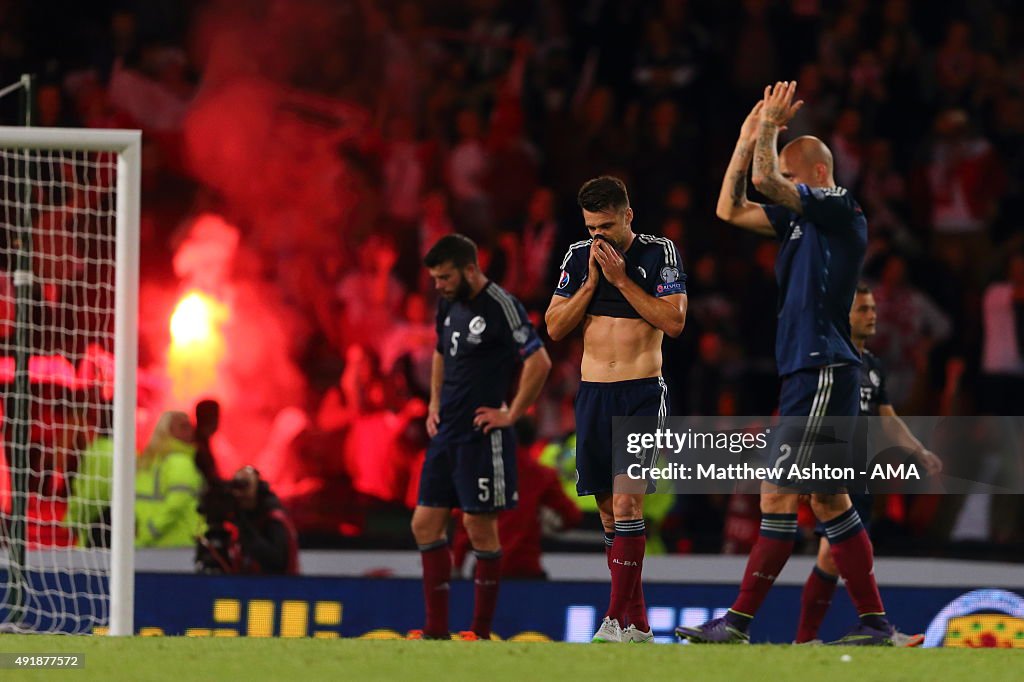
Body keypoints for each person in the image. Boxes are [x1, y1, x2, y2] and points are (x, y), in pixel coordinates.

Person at [678, 82, 892, 645]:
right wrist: (749, 137)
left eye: (796, 178)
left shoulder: (840, 209)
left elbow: (766, 181)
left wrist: (768, 131)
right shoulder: (800, 222)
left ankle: (739, 623)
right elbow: (729, 207)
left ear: (818, 175)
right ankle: (876, 625)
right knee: (827, 499)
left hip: (822, 365)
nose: (787, 189)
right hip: (809, 368)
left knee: (777, 492)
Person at [545, 176, 687, 644]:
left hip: (640, 393)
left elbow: (674, 321)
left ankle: (612, 620)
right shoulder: (576, 256)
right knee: (609, 516)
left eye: (606, 226)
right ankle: (639, 625)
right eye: (591, 228)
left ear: (628, 215)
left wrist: (621, 279)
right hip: (593, 394)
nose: (598, 237)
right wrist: (589, 286)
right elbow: (555, 327)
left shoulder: (659, 253)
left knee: (628, 503)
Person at [410, 234, 551, 640]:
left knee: (478, 527)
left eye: (445, 276)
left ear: (470, 269)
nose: (439, 284)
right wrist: (434, 403)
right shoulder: (448, 303)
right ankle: (436, 631)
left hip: (481, 436)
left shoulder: (501, 305)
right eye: (435, 278)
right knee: (424, 525)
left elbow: (539, 361)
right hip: (446, 433)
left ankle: (480, 631)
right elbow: (440, 351)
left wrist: (512, 412)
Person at [795, 284, 942, 646]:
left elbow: (887, 418)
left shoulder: (872, 366)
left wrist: (918, 450)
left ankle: (805, 640)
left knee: (832, 556)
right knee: (852, 547)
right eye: (863, 309)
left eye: (873, 308)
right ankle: (879, 628)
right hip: (832, 467)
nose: (872, 315)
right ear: (845, 317)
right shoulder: (828, 359)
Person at [135, 411, 204, 548]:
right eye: (183, 427)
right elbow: (176, 504)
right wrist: (151, 531)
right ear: (168, 431)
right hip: (177, 543)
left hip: (150, 544)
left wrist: (144, 535)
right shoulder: (179, 461)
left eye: (190, 426)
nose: (190, 431)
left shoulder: (151, 462)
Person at [228, 465, 300, 575]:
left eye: (244, 486)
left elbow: (276, 560)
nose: (238, 493)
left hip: (275, 587)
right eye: (235, 486)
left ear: (258, 488)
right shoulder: (239, 518)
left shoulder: (274, 519)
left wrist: (245, 529)